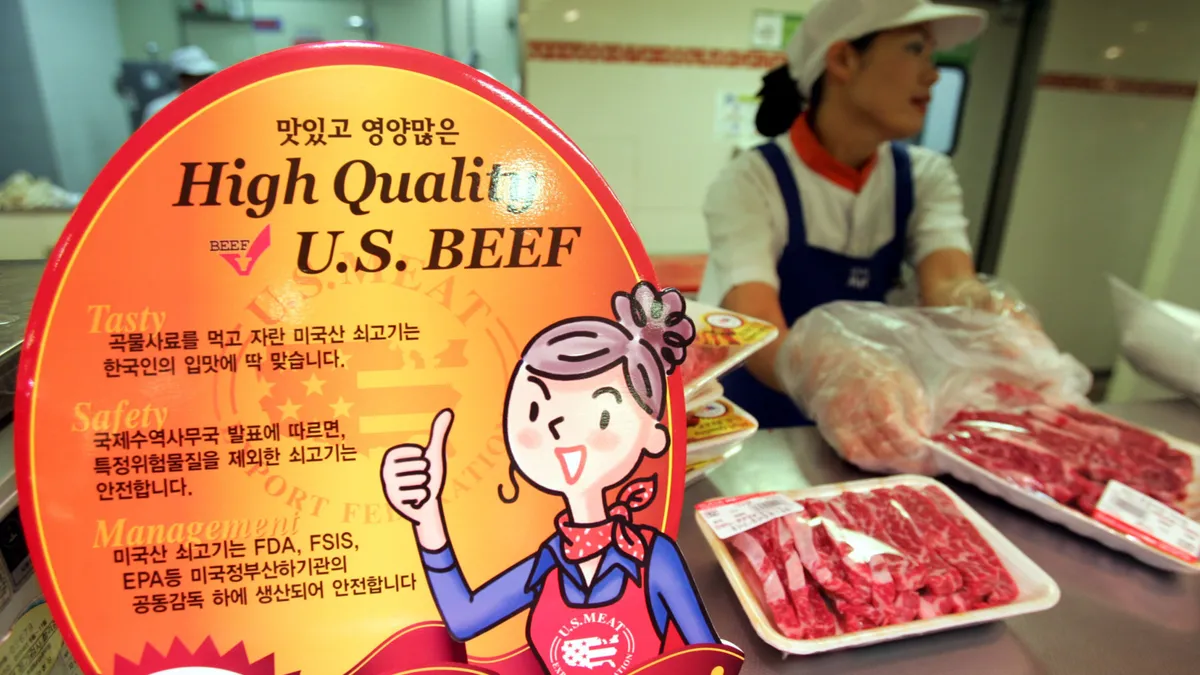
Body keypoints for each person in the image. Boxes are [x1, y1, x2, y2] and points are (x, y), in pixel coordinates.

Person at [380, 282, 719, 674]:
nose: (561, 430)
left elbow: (706, 662)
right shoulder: (548, 564)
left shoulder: (653, 558)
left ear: (653, 435)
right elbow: (463, 620)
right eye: (537, 411)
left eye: (601, 415)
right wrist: (427, 520)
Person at [700, 0, 1002, 429]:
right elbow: (756, 327)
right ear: (843, 59)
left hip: (857, 418)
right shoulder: (752, 180)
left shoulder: (924, 176)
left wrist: (988, 312)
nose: (932, 74)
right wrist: (836, 379)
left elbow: (950, 283)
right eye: (915, 49)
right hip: (754, 423)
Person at [142, 46, 220, 124]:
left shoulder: (216, 104)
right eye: (194, 78)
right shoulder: (159, 109)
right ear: (181, 78)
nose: (201, 82)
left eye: (205, 76)